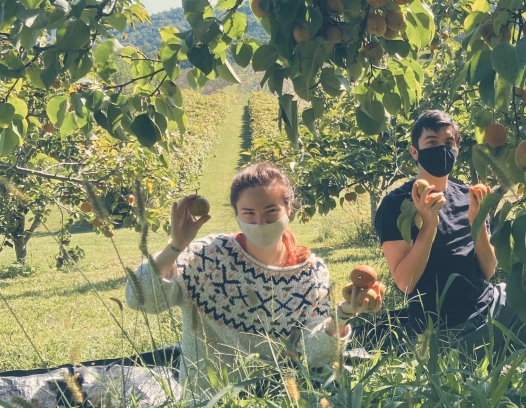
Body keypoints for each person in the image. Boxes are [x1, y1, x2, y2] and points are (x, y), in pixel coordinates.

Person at [125, 163, 372, 395]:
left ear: (289, 208)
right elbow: (141, 298)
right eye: (249, 213)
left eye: (271, 211)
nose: (260, 222)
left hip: (279, 403)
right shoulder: (208, 256)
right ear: (237, 214)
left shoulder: (311, 272)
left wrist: (343, 315)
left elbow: (316, 353)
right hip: (209, 406)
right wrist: (175, 247)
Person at [367, 110, 526, 350]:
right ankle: (514, 360)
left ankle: (522, 360)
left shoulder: (467, 196)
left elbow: (489, 269)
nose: (441, 148)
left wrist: (477, 222)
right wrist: (429, 225)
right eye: (431, 142)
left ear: (456, 151)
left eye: (448, 143)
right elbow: (405, 282)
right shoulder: (397, 205)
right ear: (415, 152)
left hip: (492, 306)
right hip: (445, 329)